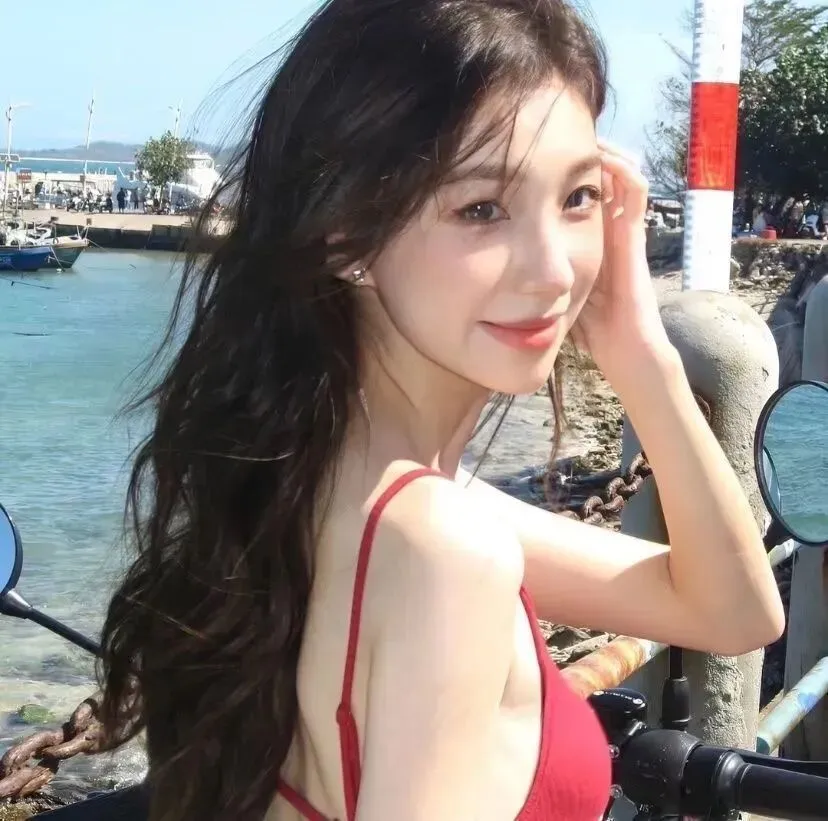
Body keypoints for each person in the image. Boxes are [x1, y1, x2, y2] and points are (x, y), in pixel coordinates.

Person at [97, 2, 785, 820]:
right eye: (481, 209)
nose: (554, 271)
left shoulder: (324, 482)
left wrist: (640, 350)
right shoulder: (444, 549)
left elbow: (733, 611)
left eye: (578, 197)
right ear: (345, 232)